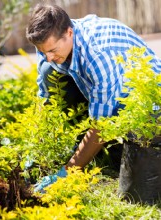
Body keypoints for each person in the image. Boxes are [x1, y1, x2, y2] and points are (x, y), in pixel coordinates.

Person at [26, 3, 161, 192]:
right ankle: (86, 146)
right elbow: (45, 97)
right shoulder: (49, 41)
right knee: (49, 71)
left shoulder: (99, 55)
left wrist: (67, 173)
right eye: (42, 51)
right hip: (106, 94)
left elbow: (101, 127)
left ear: (69, 33)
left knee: (130, 157)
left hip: (147, 101)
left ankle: (101, 151)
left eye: (52, 51)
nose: (47, 56)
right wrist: (36, 147)